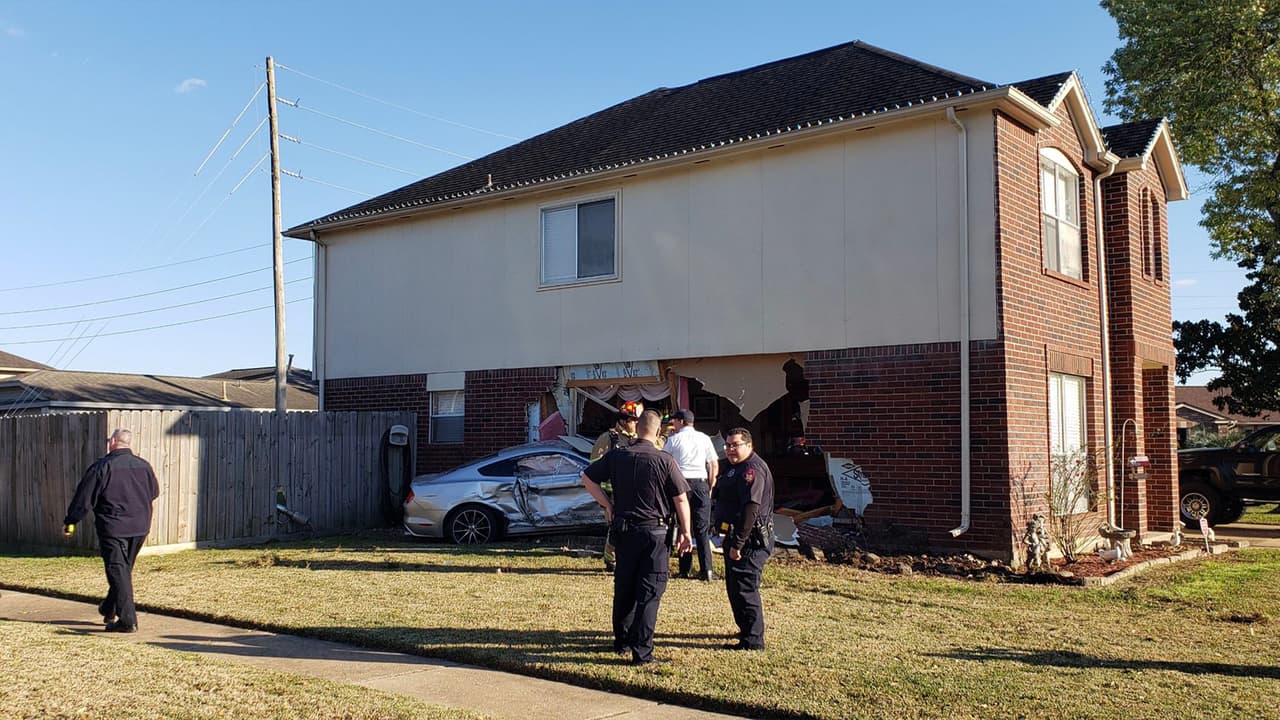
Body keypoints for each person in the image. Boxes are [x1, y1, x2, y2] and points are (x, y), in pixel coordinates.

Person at [581, 410, 693, 665]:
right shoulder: (664, 459)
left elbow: (587, 478)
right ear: (656, 433)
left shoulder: (617, 455)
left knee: (625, 587)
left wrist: (608, 505)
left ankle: (622, 642)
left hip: (624, 530)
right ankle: (642, 652)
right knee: (650, 591)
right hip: (654, 532)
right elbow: (681, 498)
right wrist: (686, 532)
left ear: (637, 429)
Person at [63, 428, 160, 633]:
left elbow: (84, 499)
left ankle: (127, 621)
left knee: (118, 570)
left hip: (113, 527)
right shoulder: (144, 466)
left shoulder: (102, 467)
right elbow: (154, 493)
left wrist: (71, 521)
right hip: (140, 527)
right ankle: (109, 607)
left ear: (114, 441)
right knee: (122, 571)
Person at [713, 427, 775, 651]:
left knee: (745, 590)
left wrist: (738, 543)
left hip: (750, 541)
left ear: (749, 445)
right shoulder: (733, 467)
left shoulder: (752, 470)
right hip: (732, 537)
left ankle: (753, 640)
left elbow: (751, 510)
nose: (730, 449)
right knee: (735, 587)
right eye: (728, 445)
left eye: (735, 445)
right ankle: (746, 630)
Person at [662, 409, 719, 581]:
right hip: (701, 482)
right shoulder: (704, 438)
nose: (673, 424)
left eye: (674, 421)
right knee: (702, 529)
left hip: (681, 484)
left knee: (681, 525)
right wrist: (710, 486)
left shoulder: (673, 440)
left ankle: (684, 568)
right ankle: (707, 569)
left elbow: (665, 463)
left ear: (680, 421)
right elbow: (713, 465)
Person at [591, 400, 644, 572]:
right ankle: (611, 560)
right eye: (634, 420)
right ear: (623, 421)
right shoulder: (609, 438)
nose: (637, 424)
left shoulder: (642, 438)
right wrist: (604, 498)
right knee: (616, 526)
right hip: (613, 492)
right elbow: (594, 468)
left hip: (636, 490)